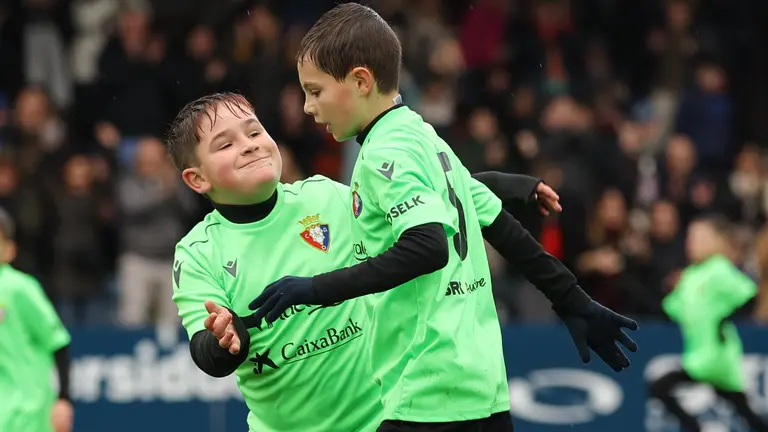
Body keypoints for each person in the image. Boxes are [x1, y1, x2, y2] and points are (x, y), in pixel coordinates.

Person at [250, 4, 638, 431]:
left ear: (360, 81)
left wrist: (314, 289)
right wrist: (572, 300)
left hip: (424, 390)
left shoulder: (383, 153)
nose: (307, 107)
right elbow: (499, 225)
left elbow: (427, 245)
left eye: (315, 91)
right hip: (480, 386)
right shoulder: (421, 134)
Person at [167, 92, 561, 432]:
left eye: (254, 132)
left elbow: (419, 190)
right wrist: (225, 342)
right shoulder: (197, 252)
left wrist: (510, 186)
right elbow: (205, 351)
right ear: (197, 179)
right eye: (225, 144)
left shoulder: (324, 197)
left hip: (386, 419)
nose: (250, 145)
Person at [649, 215, 768, 432]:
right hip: (700, 356)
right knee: (742, 408)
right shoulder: (690, 275)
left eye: (699, 237)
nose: (692, 243)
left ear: (715, 241)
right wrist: (667, 287)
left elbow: (749, 295)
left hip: (716, 357)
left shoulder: (719, 269)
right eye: (690, 238)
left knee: (660, 387)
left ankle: (694, 428)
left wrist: (724, 319)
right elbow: (671, 308)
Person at [0, 207, 73, 432]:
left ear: (10, 250)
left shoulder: (19, 288)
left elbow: (58, 341)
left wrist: (63, 398)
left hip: (27, 409)